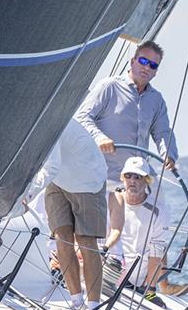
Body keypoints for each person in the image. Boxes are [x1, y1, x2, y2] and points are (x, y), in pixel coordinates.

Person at [25, 118, 108, 310]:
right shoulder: (27, 121)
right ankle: (76, 302)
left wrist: (28, 194)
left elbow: (51, 165)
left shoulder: (50, 121)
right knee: (61, 237)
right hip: (59, 180)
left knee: (86, 241)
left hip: (86, 180)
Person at [74, 40, 179, 197]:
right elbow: (81, 117)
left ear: (156, 72)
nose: (146, 67)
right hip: (103, 178)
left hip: (139, 177)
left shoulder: (156, 99)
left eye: (153, 65)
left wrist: (168, 153)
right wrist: (100, 138)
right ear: (132, 61)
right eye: (143, 61)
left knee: (160, 213)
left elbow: (162, 132)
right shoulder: (108, 86)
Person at [104, 157, 188, 299]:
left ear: (147, 180)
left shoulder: (158, 210)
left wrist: (150, 290)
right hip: (107, 273)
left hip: (136, 278)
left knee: (159, 247)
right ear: (122, 178)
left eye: (138, 176)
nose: (132, 180)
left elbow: (156, 253)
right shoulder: (109, 200)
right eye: (128, 175)